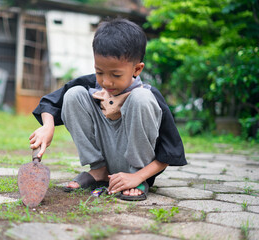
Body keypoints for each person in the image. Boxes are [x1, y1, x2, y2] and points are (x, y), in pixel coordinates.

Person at [29, 18, 187, 201]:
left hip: (139, 169)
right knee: (73, 94)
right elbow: (51, 102)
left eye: (116, 75)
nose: (106, 82)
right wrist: (48, 126)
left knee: (140, 99)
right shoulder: (93, 84)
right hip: (105, 156)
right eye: (99, 72)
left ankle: (134, 178)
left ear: (137, 69)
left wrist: (139, 176)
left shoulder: (148, 95)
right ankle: (99, 171)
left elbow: (170, 151)